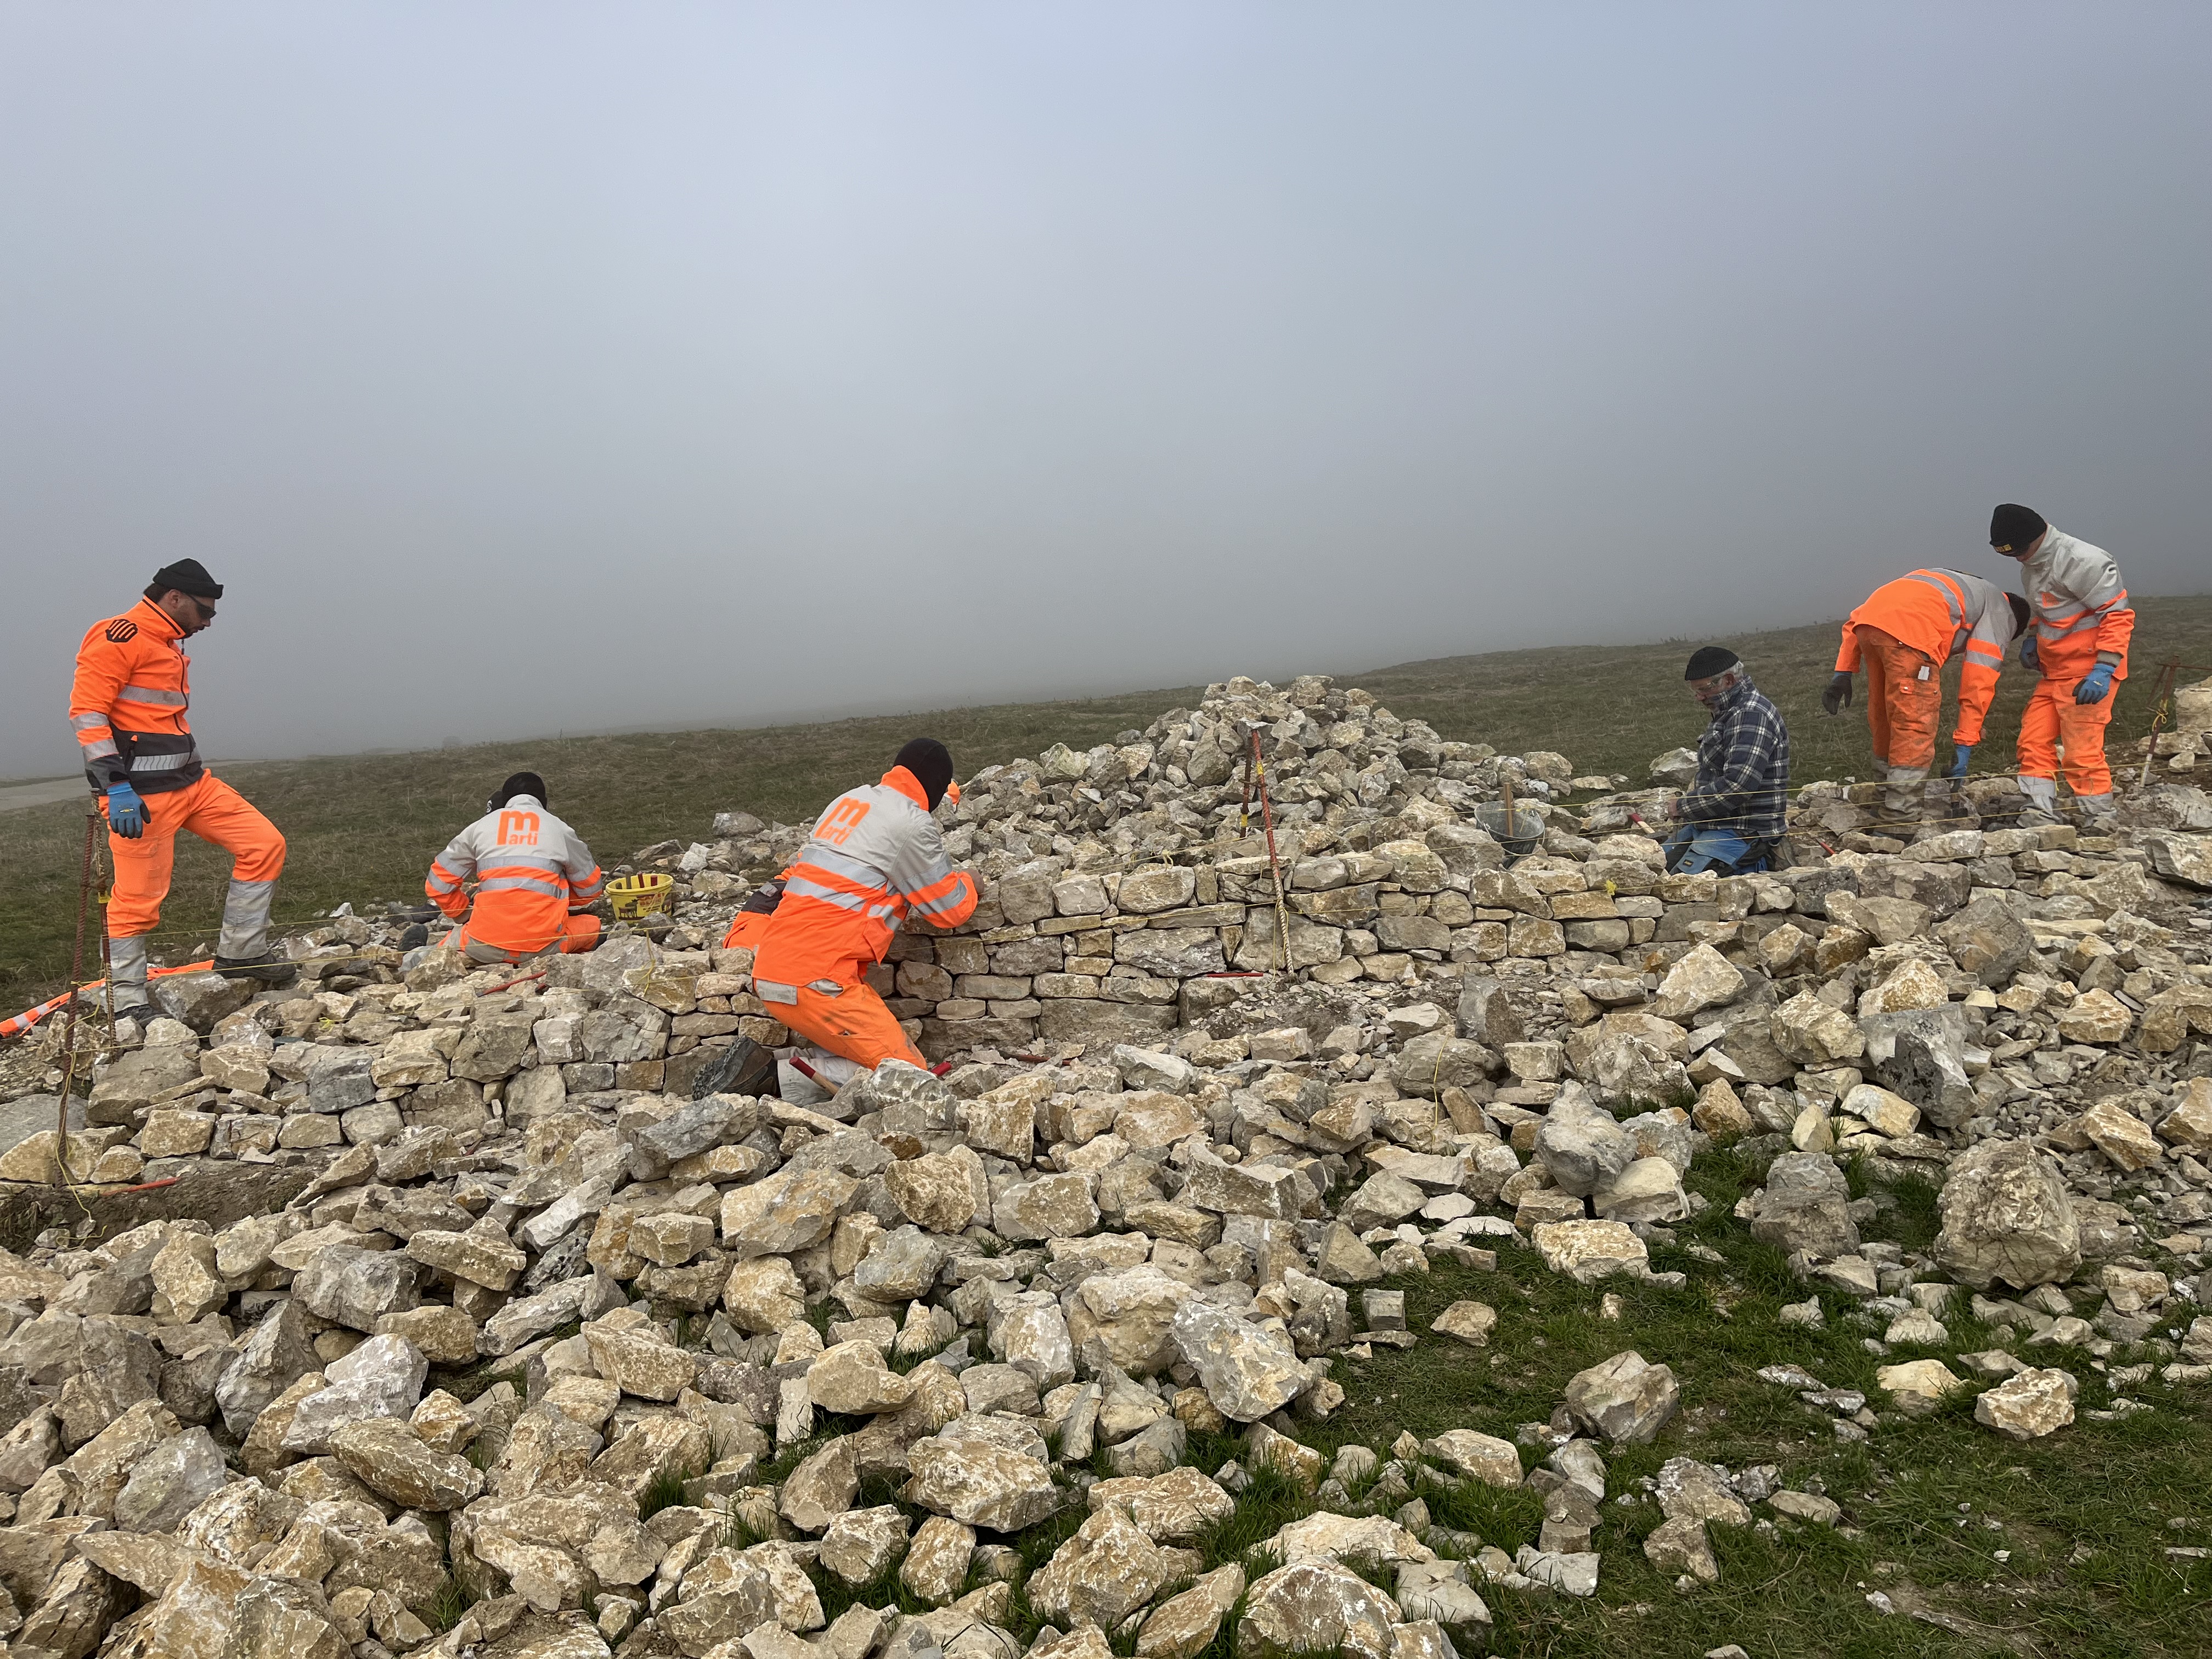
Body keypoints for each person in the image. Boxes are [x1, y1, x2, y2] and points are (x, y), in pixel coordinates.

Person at [68, 558, 290, 1012]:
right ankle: (127, 1002)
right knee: (136, 902)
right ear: (175, 598)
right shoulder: (119, 634)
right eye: (204, 611)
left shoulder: (168, 642)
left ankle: (240, 956)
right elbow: (87, 714)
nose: (208, 621)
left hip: (194, 785)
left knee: (265, 845)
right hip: (142, 798)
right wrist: (116, 787)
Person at [725, 738, 978, 1072]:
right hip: (819, 982)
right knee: (906, 1075)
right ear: (936, 784)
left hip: (772, 969)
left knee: (871, 1060)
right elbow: (950, 910)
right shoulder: (911, 822)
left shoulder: (849, 800)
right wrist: (972, 880)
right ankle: (769, 1077)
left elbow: (801, 873)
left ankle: (765, 1070)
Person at [1821, 569, 2032, 822]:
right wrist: (1965, 743)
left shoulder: (1962, 587)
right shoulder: (2002, 613)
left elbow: (1856, 619)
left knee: (1884, 718)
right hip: (1911, 635)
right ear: (2014, 625)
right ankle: (1900, 816)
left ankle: (1885, 797)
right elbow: (1978, 682)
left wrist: (1843, 672)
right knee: (1914, 723)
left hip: (1869, 626)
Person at [1990, 503, 2134, 822]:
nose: (2016, 557)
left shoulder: (2085, 561)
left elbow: (2117, 616)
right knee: (2033, 741)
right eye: (2007, 553)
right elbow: (2046, 611)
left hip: (2088, 673)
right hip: (2054, 673)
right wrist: (2033, 636)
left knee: (2081, 751)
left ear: (2036, 536)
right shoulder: (2032, 565)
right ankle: (2039, 813)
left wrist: (2105, 668)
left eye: (2018, 550)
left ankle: (2100, 819)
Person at [425, 772, 607, 962]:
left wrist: (461, 912)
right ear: (544, 802)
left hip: (482, 947)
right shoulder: (560, 829)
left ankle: (410, 963)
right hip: (545, 948)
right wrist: (555, 901)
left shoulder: (480, 827)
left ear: (504, 800)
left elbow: (438, 884)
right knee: (591, 925)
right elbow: (591, 888)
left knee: (438, 951)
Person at [1663, 646, 1791, 873]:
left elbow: (1738, 786)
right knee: (1655, 868)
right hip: (1714, 826)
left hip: (1743, 833)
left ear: (1729, 680)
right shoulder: (1729, 711)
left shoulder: (1750, 714)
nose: (1699, 697)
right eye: (1696, 691)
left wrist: (1684, 806)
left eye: (1704, 690)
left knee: (1678, 888)